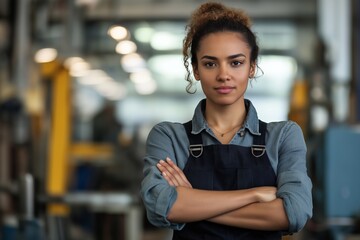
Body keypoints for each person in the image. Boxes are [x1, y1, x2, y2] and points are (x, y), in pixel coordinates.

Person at [140, 2, 313, 239]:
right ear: (196, 69)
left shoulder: (283, 136)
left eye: (236, 62)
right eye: (210, 63)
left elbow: (294, 214)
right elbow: (160, 207)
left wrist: (191, 204)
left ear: (252, 67)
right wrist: (253, 195)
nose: (223, 75)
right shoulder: (169, 136)